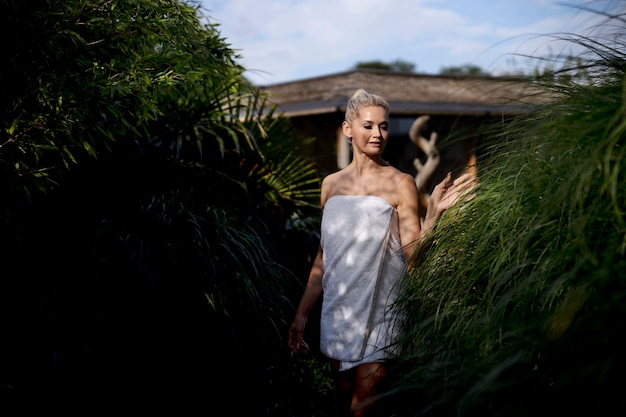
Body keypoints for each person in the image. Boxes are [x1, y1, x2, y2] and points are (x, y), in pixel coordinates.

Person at [287, 89, 475, 417]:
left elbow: (412, 252)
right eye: (368, 126)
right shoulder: (330, 185)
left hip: (382, 314)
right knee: (343, 401)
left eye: (384, 127)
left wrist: (434, 215)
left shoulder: (400, 183)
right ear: (348, 129)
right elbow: (323, 256)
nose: (378, 134)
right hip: (339, 312)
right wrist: (302, 313)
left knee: (364, 408)